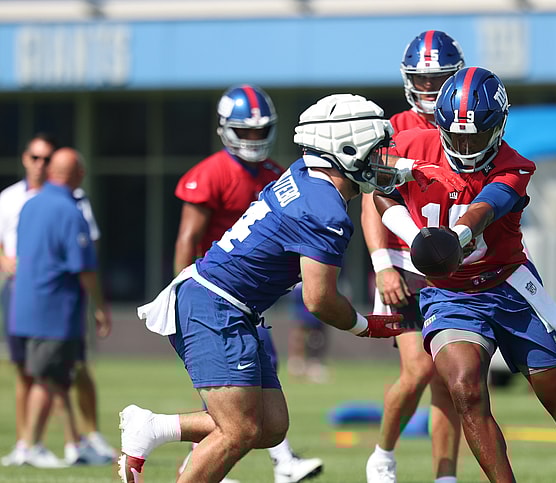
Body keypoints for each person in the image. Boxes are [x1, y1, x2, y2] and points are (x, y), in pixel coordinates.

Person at [120, 93, 459, 483]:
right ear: (345, 150)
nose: (383, 157)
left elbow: (372, 173)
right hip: (215, 305)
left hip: (230, 305)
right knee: (240, 429)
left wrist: (416, 168)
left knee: (270, 426)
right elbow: (318, 299)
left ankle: (154, 427)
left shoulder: (303, 173)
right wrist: (365, 325)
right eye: (376, 149)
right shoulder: (325, 211)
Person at [374, 66, 556, 483]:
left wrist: (450, 239)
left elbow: (485, 209)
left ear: (497, 128)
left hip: (508, 289)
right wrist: (411, 233)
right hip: (450, 295)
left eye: (475, 136)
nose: (465, 144)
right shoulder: (411, 143)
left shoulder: (515, 165)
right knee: (465, 389)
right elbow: (380, 189)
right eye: (456, 135)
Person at [172, 84, 322, 483]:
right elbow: (187, 239)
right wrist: (181, 297)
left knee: (237, 393)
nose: (254, 139)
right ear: (226, 129)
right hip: (214, 295)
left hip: (250, 299)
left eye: (260, 131)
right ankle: (282, 461)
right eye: (246, 131)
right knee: (244, 387)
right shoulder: (211, 172)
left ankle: (200, 463)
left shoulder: (276, 175)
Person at [363, 30, 464, 483]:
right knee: (420, 368)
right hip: (402, 266)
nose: (429, 89)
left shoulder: (467, 122)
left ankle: (445, 476)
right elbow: (372, 202)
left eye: (440, 79)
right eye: (422, 80)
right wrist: (382, 264)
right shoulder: (393, 130)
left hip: (452, 271)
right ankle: (383, 453)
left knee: (452, 377)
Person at [0, 135, 114, 467]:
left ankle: (74, 444)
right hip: (55, 309)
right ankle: (30, 445)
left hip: (22, 304)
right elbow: (85, 267)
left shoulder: (30, 203)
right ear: (77, 173)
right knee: (49, 378)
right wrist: (100, 308)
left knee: (53, 376)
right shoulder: (70, 209)